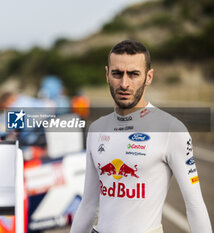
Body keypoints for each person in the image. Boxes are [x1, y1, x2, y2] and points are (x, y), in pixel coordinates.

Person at [69, 40, 212, 233]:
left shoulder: (171, 129)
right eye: (117, 73)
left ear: (148, 77)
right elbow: (88, 205)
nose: (124, 83)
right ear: (107, 75)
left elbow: (194, 205)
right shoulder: (97, 129)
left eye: (134, 74)